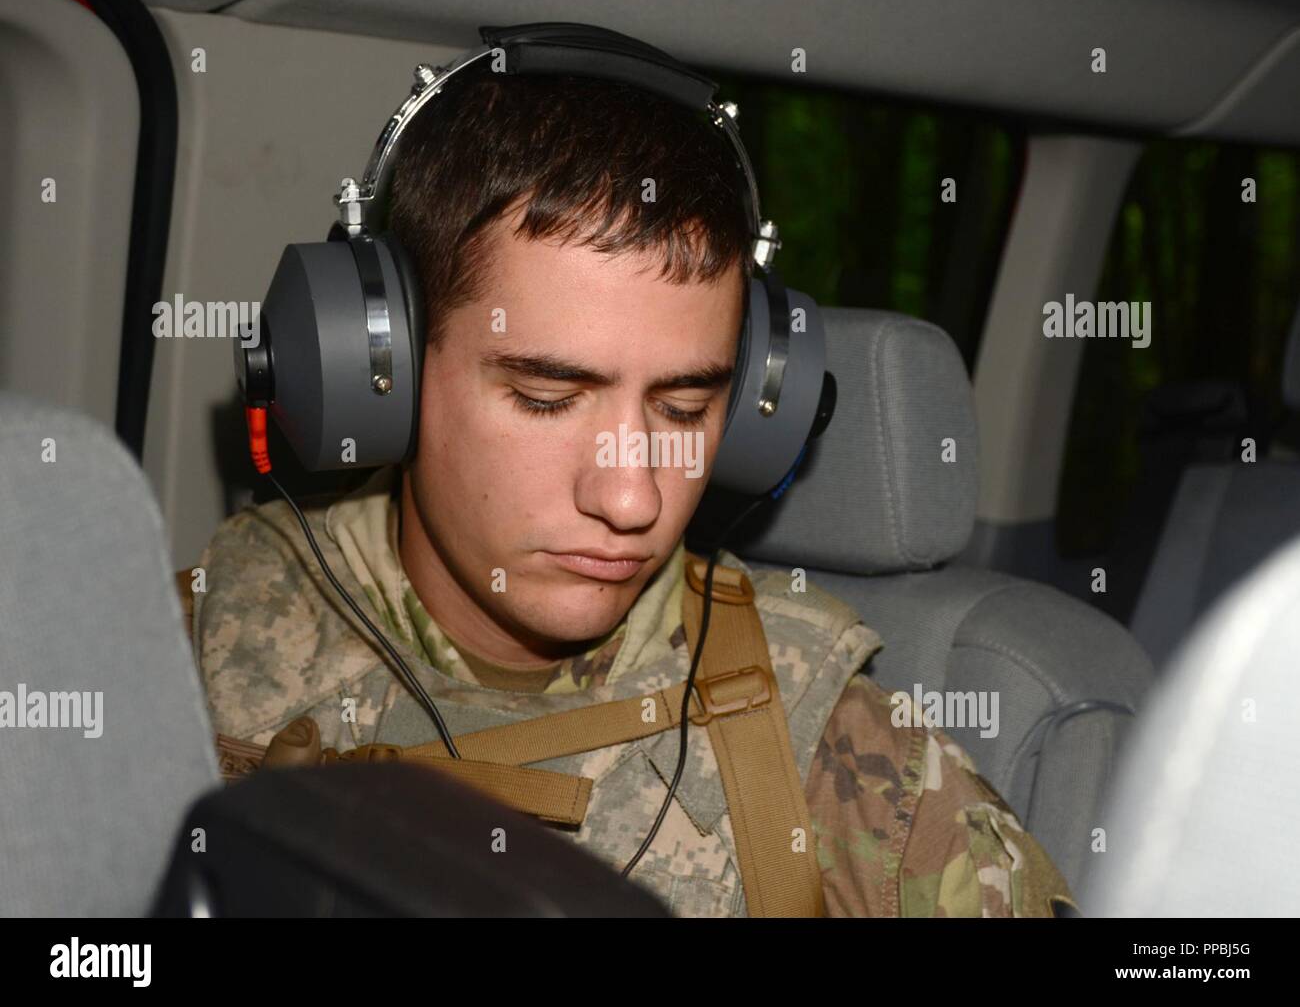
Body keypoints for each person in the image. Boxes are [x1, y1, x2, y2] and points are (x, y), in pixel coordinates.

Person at [191, 65, 1076, 918]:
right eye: (547, 399)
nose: (631, 500)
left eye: (686, 407)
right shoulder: (193, 648)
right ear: (379, 374)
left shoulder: (829, 750)